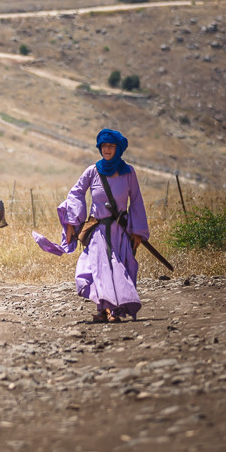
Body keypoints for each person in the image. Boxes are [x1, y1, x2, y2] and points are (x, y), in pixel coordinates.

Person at [40, 128, 149, 323]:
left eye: (111, 146)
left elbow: (137, 201)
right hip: (99, 231)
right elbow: (75, 193)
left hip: (120, 231)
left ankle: (109, 308)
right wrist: (73, 221)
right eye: (103, 145)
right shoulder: (93, 171)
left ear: (118, 149)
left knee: (119, 268)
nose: (107, 149)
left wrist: (137, 232)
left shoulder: (128, 172)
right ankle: (107, 309)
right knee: (101, 268)